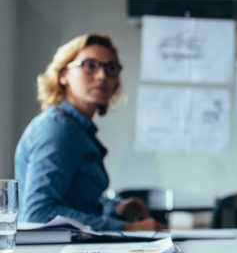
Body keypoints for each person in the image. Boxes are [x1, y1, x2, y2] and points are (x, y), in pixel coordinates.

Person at [15, 33, 165, 231]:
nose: (102, 76)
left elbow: (73, 203)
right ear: (63, 75)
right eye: (89, 65)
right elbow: (38, 214)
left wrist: (115, 208)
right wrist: (127, 227)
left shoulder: (77, 129)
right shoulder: (58, 128)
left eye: (111, 68)